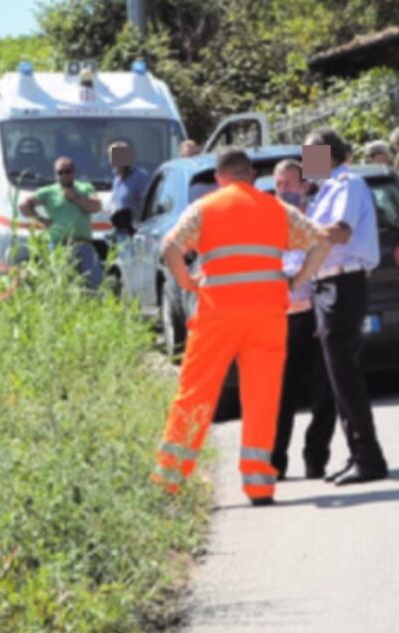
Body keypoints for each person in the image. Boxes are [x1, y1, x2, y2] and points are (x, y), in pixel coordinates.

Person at [152, 148, 331, 506]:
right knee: (262, 397)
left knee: (196, 392)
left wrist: (187, 282)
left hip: (217, 315)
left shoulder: (205, 208)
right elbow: (321, 241)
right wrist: (297, 280)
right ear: (250, 176)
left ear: (219, 178)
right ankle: (259, 484)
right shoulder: (277, 209)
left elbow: (170, 246)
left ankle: (169, 481)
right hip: (267, 316)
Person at [303, 129, 389, 485]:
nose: (307, 161)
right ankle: (358, 453)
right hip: (327, 285)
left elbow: (339, 232)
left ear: (330, 154)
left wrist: (297, 228)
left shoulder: (348, 184)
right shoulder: (325, 190)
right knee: (337, 378)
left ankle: (368, 459)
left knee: (345, 376)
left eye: (311, 153)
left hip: (344, 284)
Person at [270, 159, 339, 479]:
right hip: (282, 318)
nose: (284, 190)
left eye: (290, 183)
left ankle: (316, 459)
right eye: (279, 184)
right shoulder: (267, 221)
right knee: (280, 396)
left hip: (315, 315)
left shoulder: (317, 218)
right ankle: (275, 463)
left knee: (325, 393)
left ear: (305, 185)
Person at [18, 157, 104, 289]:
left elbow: (96, 206)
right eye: (60, 172)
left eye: (67, 171)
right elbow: (24, 205)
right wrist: (41, 220)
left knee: (95, 282)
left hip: (83, 244)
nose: (63, 175)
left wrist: (76, 199)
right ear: (55, 174)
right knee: (61, 283)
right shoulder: (48, 192)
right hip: (59, 245)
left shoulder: (85, 188)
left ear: (73, 172)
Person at [107, 140, 151, 223]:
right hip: (121, 227)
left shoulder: (141, 177)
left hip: (137, 227)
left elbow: (148, 204)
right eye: (111, 156)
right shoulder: (116, 179)